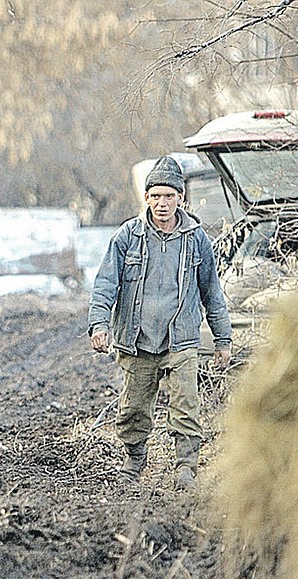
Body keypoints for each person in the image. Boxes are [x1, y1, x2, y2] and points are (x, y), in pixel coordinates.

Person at [88, 155, 232, 491]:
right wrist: (99, 324)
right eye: (155, 196)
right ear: (146, 198)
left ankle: (186, 468)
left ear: (181, 198)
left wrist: (222, 340)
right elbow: (106, 282)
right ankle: (134, 460)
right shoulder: (128, 235)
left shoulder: (196, 239)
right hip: (138, 340)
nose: (162, 203)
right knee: (133, 409)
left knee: (185, 407)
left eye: (169, 196)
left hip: (180, 339)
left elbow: (212, 290)